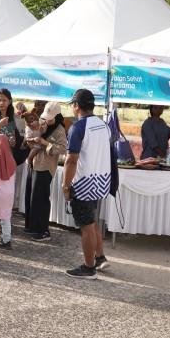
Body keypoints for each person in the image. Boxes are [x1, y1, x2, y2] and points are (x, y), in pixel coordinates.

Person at [63, 89, 113, 279]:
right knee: (92, 223)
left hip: (83, 183)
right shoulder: (103, 125)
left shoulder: (78, 127)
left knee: (86, 226)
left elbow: (71, 161)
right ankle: (99, 257)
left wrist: (65, 186)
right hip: (101, 181)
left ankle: (88, 267)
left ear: (76, 105)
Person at [24, 102, 67, 241]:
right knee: (32, 196)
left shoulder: (60, 129)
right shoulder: (42, 122)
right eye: (45, 117)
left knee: (41, 198)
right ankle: (32, 227)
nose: (46, 120)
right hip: (34, 163)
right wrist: (31, 139)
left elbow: (62, 149)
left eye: (50, 118)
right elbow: (30, 132)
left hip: (46, 166)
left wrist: (44, 143)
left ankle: (43, 231)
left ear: (57, 115)